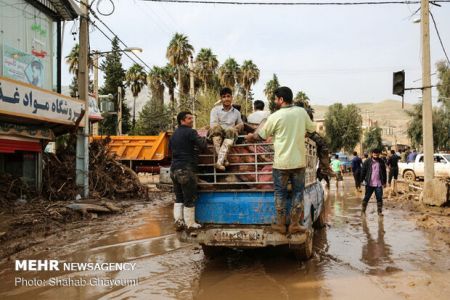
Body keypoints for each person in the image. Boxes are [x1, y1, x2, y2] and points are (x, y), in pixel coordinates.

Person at [245, 86, 316, 234]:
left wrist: (251, 137)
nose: (275, 101)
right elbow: (312, 130)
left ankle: (281, 225)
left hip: (281, 163)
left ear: (281, 99)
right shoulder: (301, 112)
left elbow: (261, 136)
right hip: (298, 163)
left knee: (280, 193)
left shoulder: (275, 116)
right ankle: (295, 224)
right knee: (298, 193)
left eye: (276, 99)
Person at [169, 111, 208, 230]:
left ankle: (178, 221)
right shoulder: (191, 132)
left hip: (174, 169)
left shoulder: (174, 135)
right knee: (189, 197)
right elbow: (203, 145)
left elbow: (170, 149)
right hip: (186, 169)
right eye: (189, 118)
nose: (191, 120)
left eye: (192, 118)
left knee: (179, 197)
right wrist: (205, 138)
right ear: (182, 121)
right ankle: (190, 224)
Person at [209, 87, 244, 170]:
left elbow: (240, 123)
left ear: (232, 98)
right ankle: (223, 160)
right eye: (224, 97)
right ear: (221, 99)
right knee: (216, 128)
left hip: (230, 134)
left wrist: (239, 126)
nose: (226, 99)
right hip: (217, 134)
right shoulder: (215, 110)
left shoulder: (236, 112)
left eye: (228, 96)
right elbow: (213, 124)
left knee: (231, 130)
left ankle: (219, 162)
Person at [361, 148, 387, 218]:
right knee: (367, 197)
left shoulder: (381, 161)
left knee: (379, 198)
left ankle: (379, 212)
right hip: (369, 183)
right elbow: (363, 171)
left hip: (378, 184)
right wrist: (361, 180)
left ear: (379, 154)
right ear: (372, 154)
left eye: (377, 154)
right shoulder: (367, 161)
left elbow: (384, 172)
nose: (376, 155)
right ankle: (363, 211)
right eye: (374, 153)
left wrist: (384, 182)